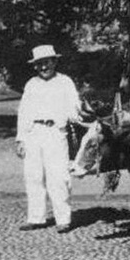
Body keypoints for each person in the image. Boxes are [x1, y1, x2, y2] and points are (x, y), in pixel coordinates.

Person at [15, 45, 82, 234]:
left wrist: (80, 116)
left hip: (55, 133)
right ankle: (36, 218)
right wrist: (20, 139)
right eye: (39, 64)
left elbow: (74, 108)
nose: (44, 67)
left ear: (54, 62)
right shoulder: (31, 84)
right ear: (35, 66)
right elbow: (24, 113)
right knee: (33, 176)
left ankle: (63, 219)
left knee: (58, 177)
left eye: (47, 62)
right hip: (33, 133)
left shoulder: (65, 82)